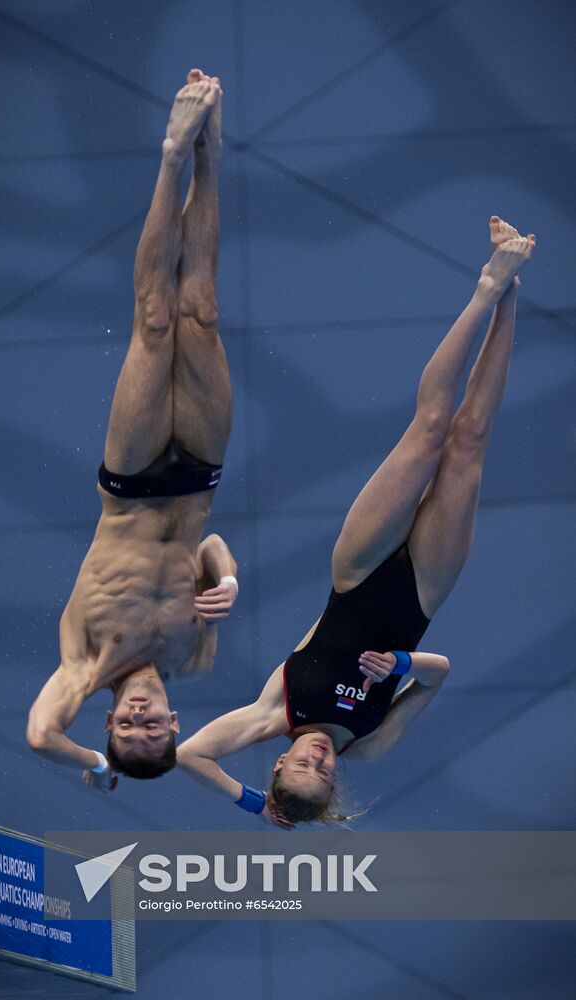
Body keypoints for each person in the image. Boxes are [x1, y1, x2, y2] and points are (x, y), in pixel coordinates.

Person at [178, 217, 536, 826]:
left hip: (359, 570)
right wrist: (401, 665)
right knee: (470, 440)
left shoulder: (275, 711)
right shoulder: (369, 742)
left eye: (300, 769)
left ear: (277, 764)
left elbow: (189, 754)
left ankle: (484, 288)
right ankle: (510, 288)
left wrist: (251, 804)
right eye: (323, 774)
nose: (317, 760)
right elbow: (437, 674)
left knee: (428, 433)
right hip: (425, 592)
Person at [27, 70, 238, 788]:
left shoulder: (84, 672)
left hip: (131, 482)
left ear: (109, 721)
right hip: (199, 479)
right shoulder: (195, 655)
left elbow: (37, 735)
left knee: (155, 320)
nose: (142, 719)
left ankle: (172, 156)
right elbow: (207, 545)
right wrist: (228, 577)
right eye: (155, 730)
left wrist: (89, 760)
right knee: (201, 309)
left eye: (127, 729)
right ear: (178, 724)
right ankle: (212, 150)